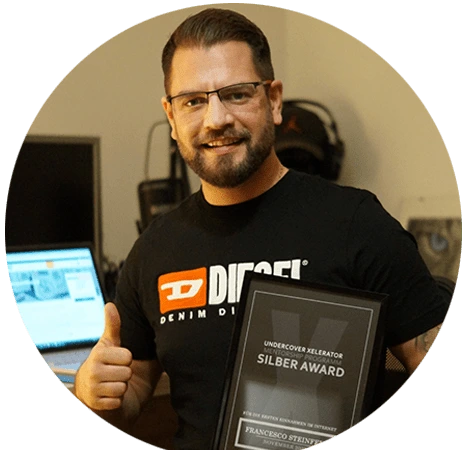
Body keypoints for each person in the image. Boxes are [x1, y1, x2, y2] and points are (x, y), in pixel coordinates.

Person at [74, 8, 451, 450]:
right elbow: (133, 391)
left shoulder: (355, 223)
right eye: (193, 101)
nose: (216, 119)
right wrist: (93, 390)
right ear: (171, 117)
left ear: (273, 101)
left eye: (236, 94)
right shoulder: (154, 249)